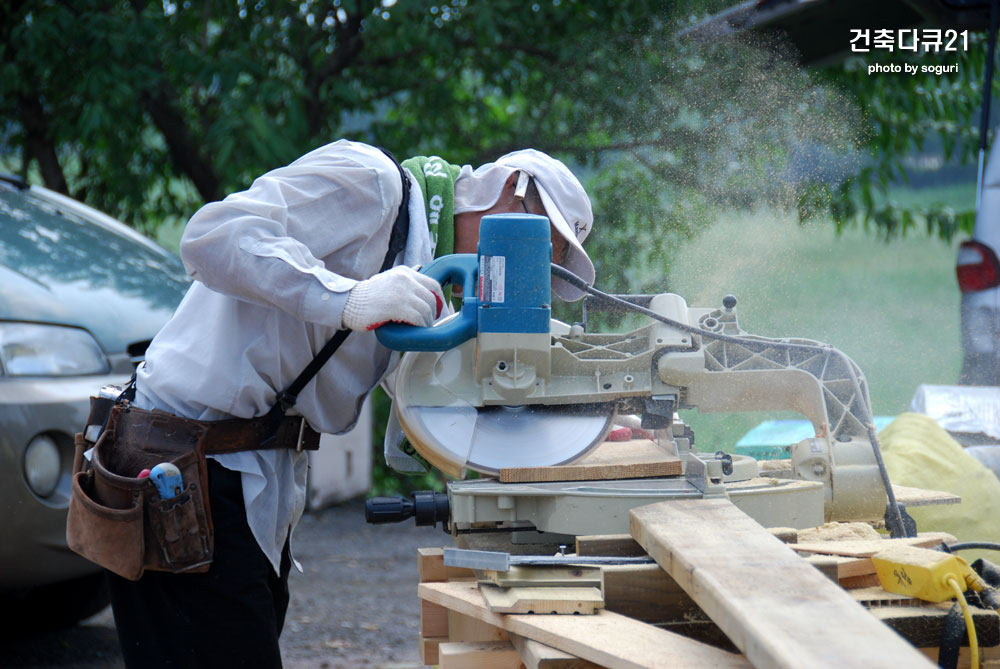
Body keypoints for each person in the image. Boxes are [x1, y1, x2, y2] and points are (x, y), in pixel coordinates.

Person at [103, 139, 596, 668]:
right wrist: (348, 298)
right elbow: (213, 236)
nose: (523, 275)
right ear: (510, 192)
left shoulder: (425, 270)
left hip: (243, 476)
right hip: (183, 467)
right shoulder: (371, 182)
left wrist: (581, 407)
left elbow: (441, 396)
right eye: (533, 250)